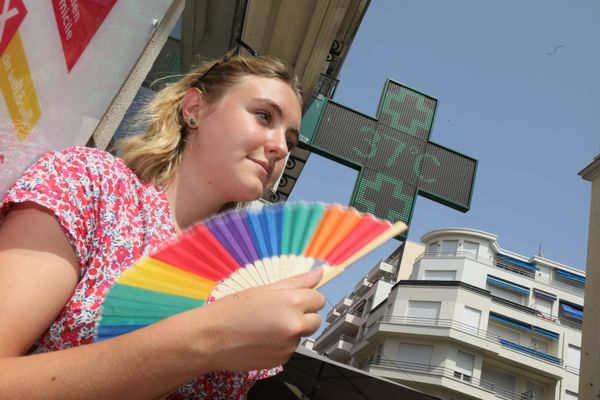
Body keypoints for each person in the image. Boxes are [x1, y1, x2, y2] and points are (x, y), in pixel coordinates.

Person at [0, 53, 326, 399]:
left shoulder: (243, 279)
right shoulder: (92, 185)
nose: (279, 148)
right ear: (194, 109)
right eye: (264, 116)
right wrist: (208, 337)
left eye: (290, 141)